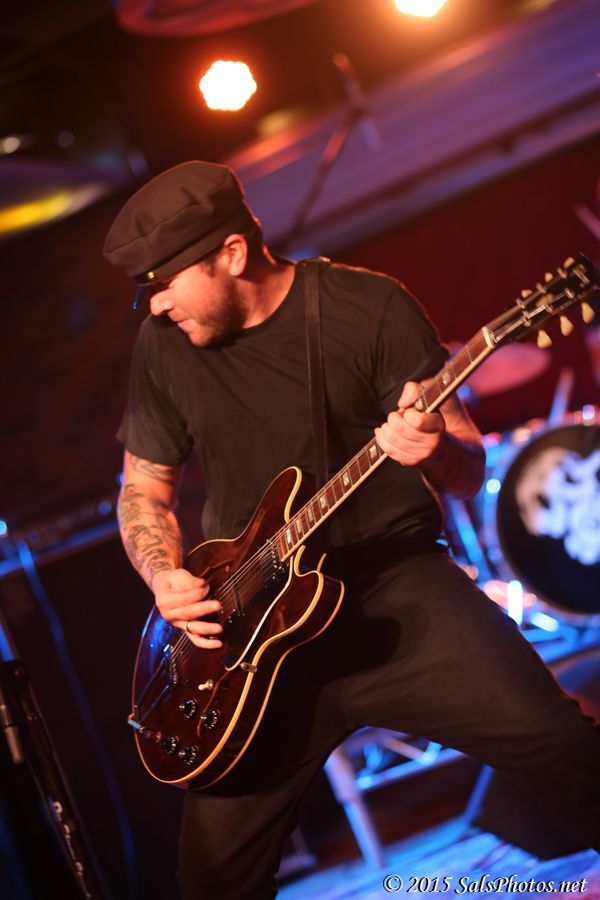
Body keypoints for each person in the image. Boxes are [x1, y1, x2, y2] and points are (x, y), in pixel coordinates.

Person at [104, 161, 600, 899]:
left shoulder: (367, 308)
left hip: (397, 590)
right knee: (211, 882)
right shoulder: (163, 347)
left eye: (165, 282)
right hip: (253, 633)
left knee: (565, 749)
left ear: (231, 254)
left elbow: (468, 472)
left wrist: (436, 449)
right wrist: (161, 574)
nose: (156, 304)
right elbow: (144, 487)